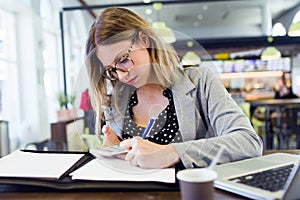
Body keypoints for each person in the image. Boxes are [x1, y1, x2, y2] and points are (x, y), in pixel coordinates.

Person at [85, 7, 263, 169]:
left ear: (144, 40)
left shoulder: (200, 81)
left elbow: (248, 143)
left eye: (123, 59)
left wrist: (172, 153)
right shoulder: (115, 100)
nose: (122, 75)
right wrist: (114, 152)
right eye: (111, 70)